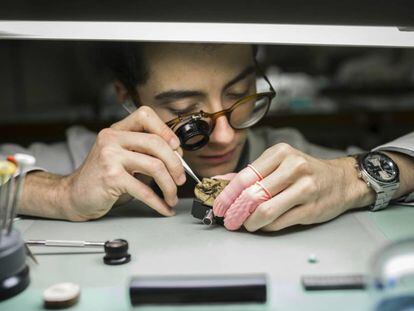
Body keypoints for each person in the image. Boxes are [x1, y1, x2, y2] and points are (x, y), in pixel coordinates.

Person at [1, 43, 414, 232]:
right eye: (184, 113)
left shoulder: (292, 152)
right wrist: (61, 195)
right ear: (128, 98)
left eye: (239, 97)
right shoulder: (78, 158)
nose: (225, 135)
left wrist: (353, 178)